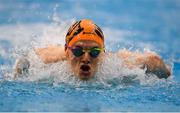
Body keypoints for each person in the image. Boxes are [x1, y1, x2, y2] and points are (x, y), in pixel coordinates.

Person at [14, 19, 171, 80]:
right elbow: (26, 59)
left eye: (95, 52)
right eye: (78, 51)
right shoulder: (52, 58)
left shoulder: (117, 66)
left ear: (102, 53)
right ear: (67, 52)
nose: (86, 57)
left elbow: (155, 61)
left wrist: (164, 72)